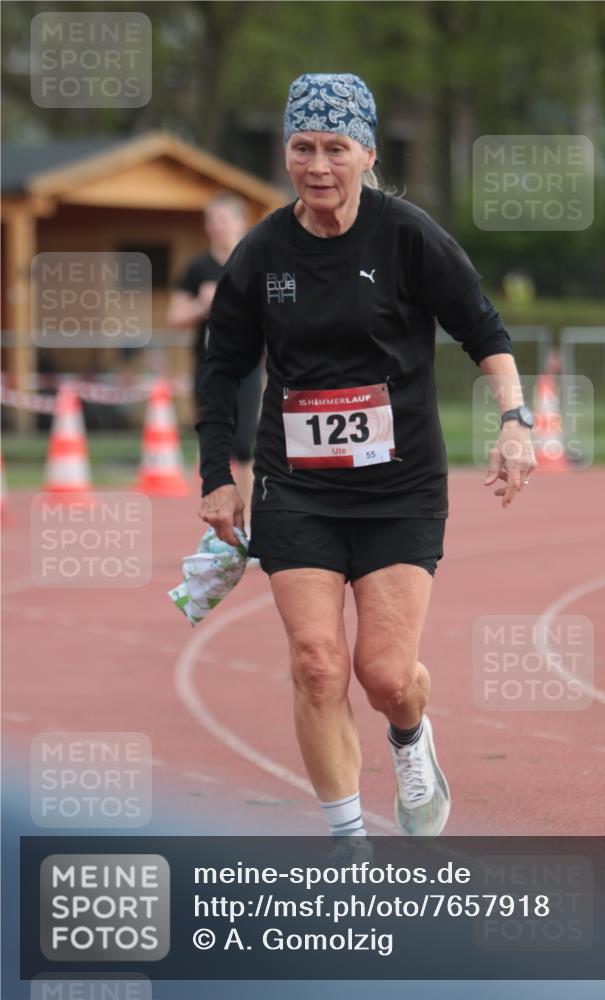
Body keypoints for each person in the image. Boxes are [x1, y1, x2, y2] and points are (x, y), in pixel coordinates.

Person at [196, 73, 536, 853]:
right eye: (302, 148)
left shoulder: (406, 235)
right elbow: (222, 368)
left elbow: (483, 332)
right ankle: (348, 843)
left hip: (398, 487)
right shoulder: (260, 253)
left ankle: (411, 737)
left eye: (334, 149)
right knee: (317, 663)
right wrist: (219, 475)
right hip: (296, 489)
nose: (317, 166)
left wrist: (515, 423)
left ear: (367, 153)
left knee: (383, 673)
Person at [167, 194, 262, 518]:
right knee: (214, 441)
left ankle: (248, 520)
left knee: (245, 444)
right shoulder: (197, 268)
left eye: (224, 219)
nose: (217, 227)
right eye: (212, 220)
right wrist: (201, 306)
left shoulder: (253, 261)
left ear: (241, 222)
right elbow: (174, 316)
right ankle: (220, 518)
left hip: (248, 365)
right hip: (208, 364)